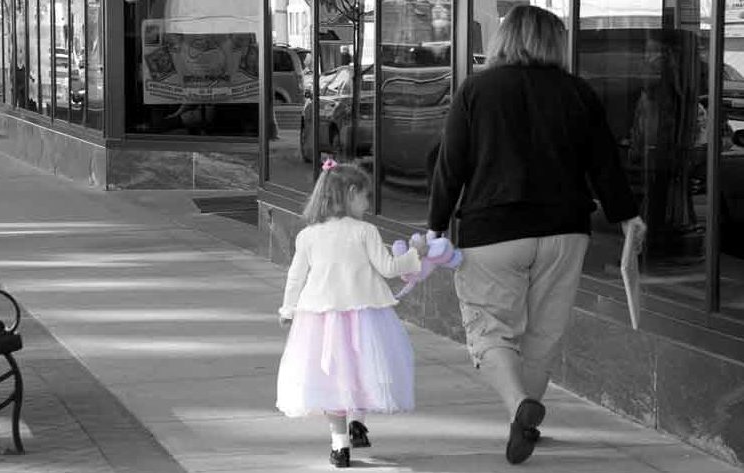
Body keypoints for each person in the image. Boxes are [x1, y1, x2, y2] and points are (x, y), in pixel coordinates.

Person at [426, 5, 647, 466]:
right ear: (554, 42)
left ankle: (518, 408)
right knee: (543, 335)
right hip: (565, 231)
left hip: (494, 232)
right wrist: (627, 216)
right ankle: (524, 422)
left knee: (489, 329)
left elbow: (452, 164)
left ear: (505, 40)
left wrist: (436, 224)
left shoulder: (476, 90)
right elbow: (603, 162)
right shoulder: (577, 92)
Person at [277, 159, 424, 468]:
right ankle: (358, 421)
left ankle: (340, 445)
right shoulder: (365, 231)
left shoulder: (308, 235)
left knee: (332, 378)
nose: (368, 203)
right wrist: (416, 256)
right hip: (364, 317)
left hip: (320, 319)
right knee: (363, 368)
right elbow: (388, 268)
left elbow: (295, 277)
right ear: (352, 193)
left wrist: (288, 309)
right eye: (366, 196)